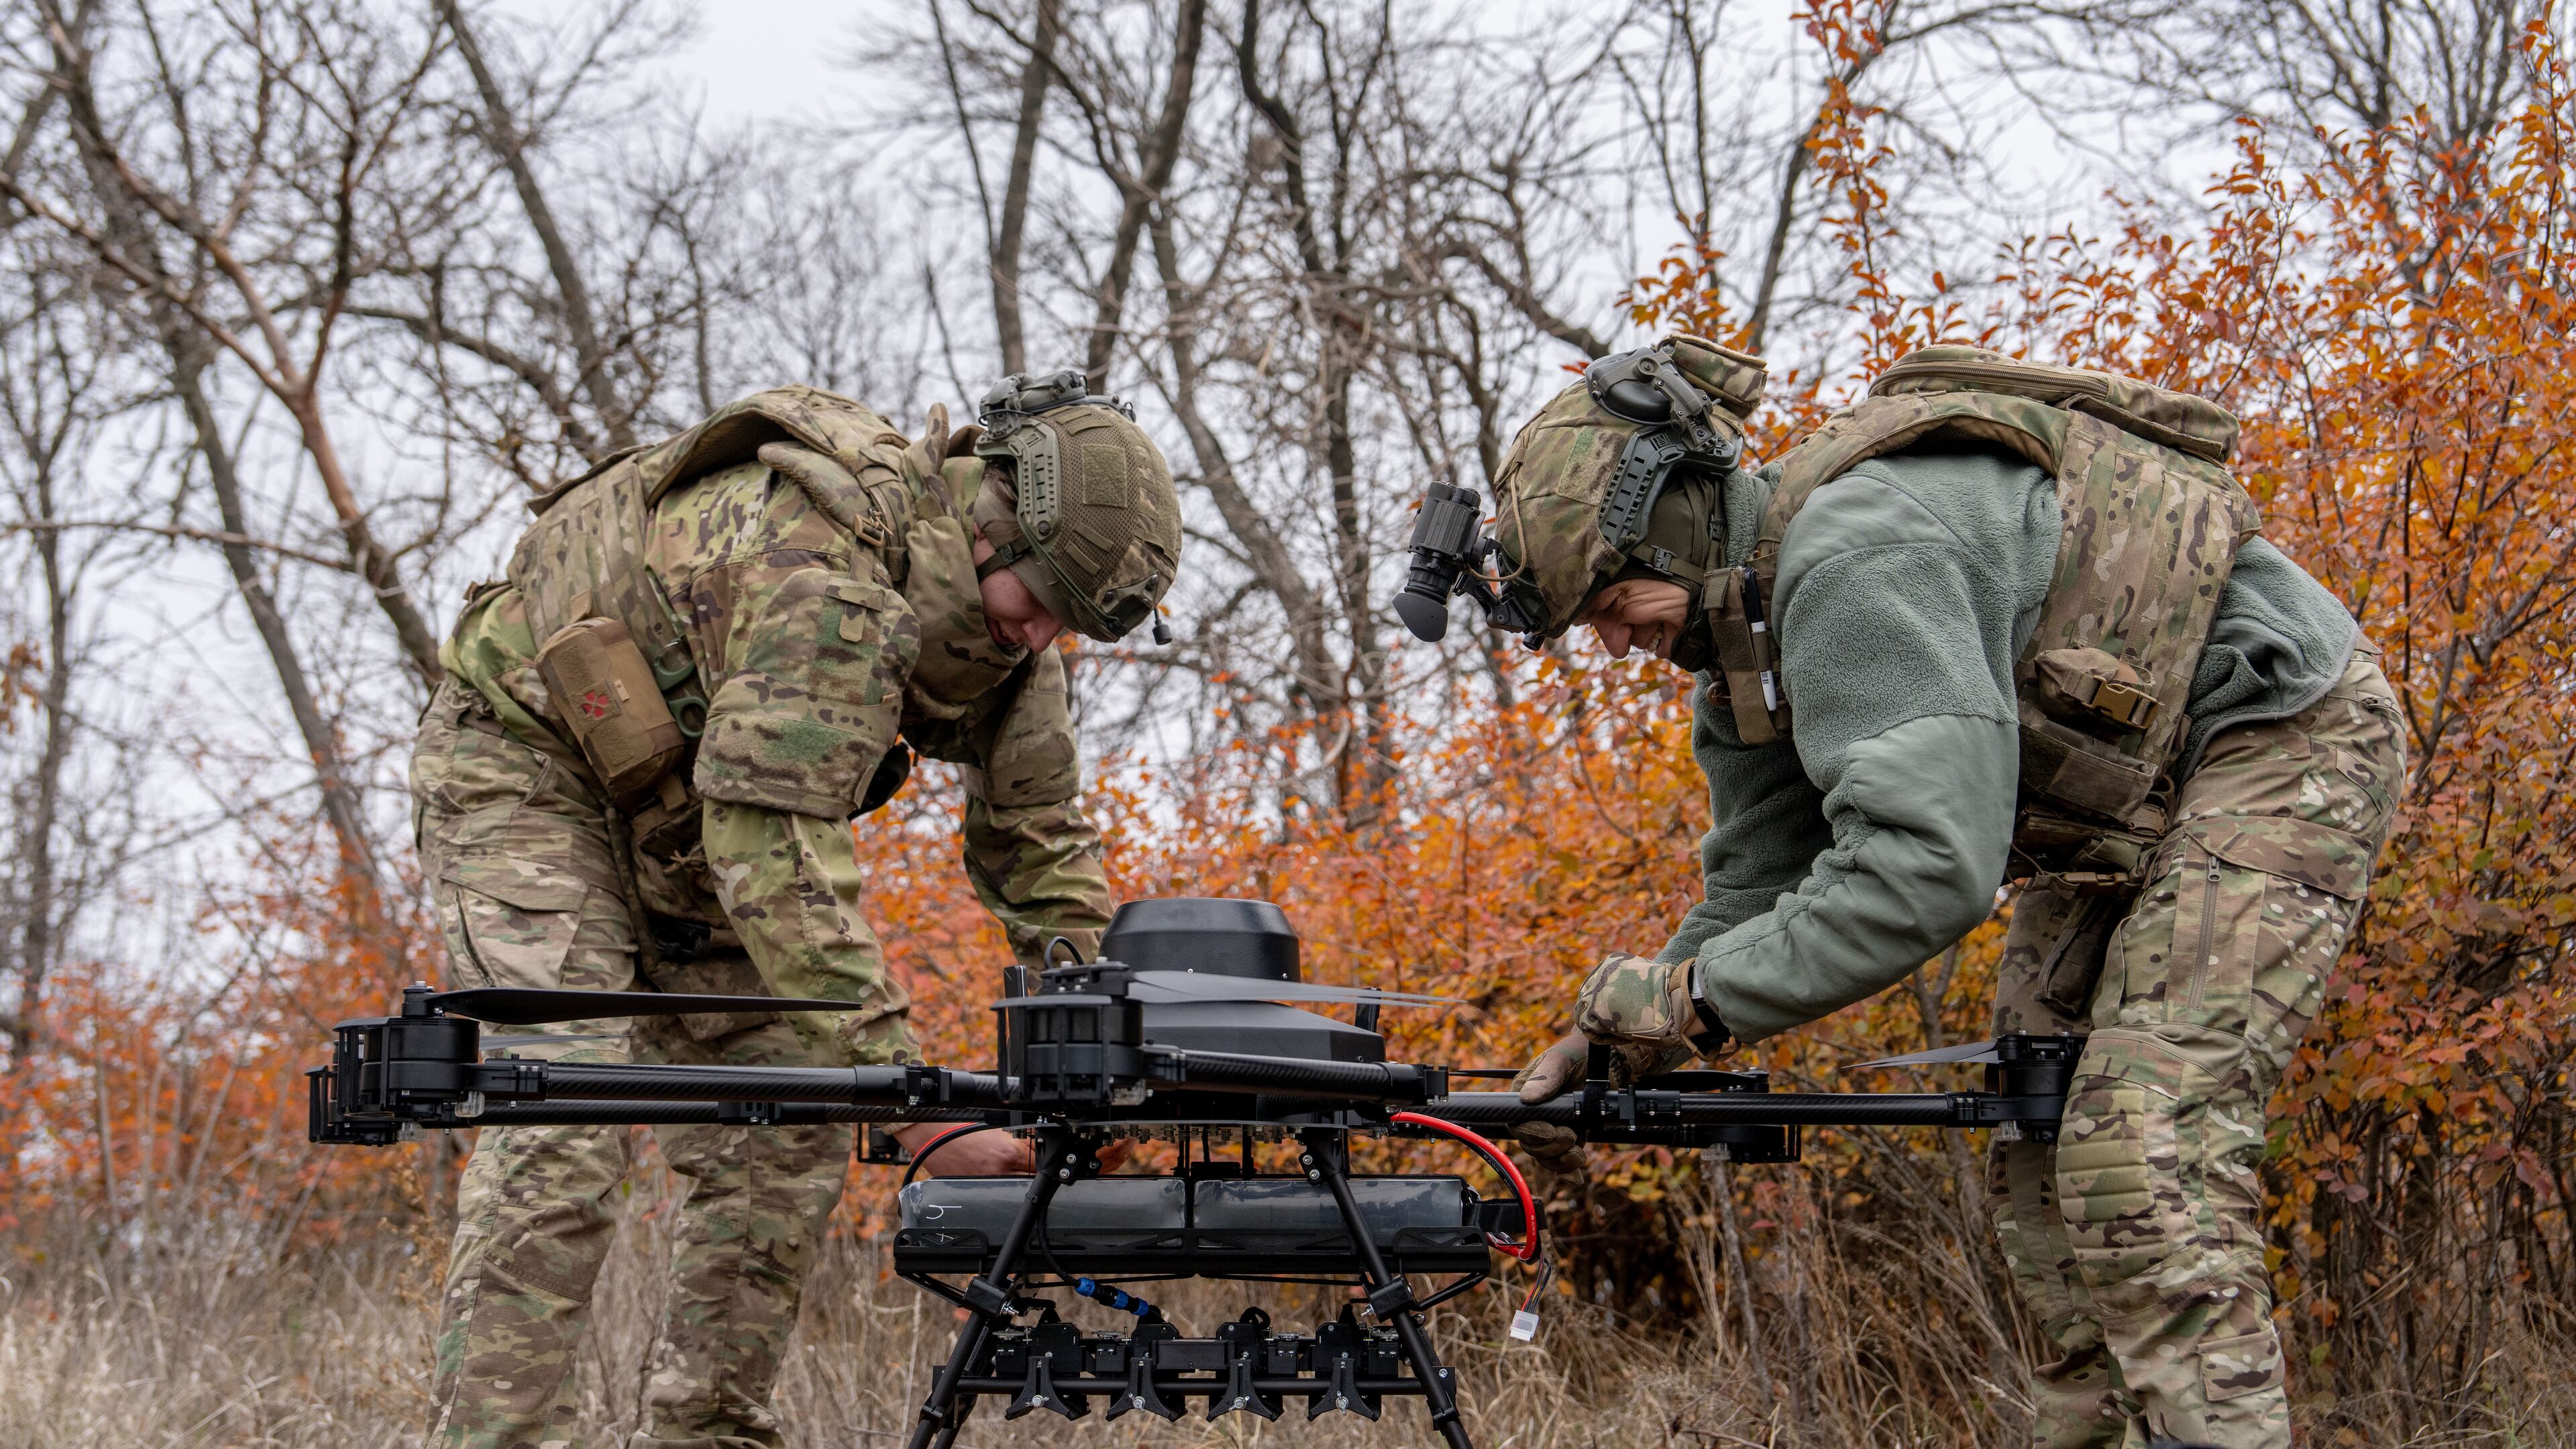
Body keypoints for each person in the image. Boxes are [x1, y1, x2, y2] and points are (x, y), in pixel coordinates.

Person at [1474, 338, 2403, 1449]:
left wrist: (1694, 999)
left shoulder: (1852, 563)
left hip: (2282, 734)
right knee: (2044, 1140)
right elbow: (1763, 883)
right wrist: (1634, 1031)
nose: (1619, 641)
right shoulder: (1746, 642)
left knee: (2141, 1142)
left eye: (1615, 603)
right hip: (2130, 805)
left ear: (1673, 519)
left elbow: (1926, 872)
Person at [413, 372, 1181, 1449]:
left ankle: (707, 1434)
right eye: (1042, 601)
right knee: (566, 1113)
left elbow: (1038, 844)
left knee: (785, 1131)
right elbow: (770, 843)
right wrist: (912, 1104)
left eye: (1073, 624)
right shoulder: (826, 575)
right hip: (529, 770)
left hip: (692, 823)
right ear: (992, 526)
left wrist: (1110, 1025)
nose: (1044, 637)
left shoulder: (1011, 644)